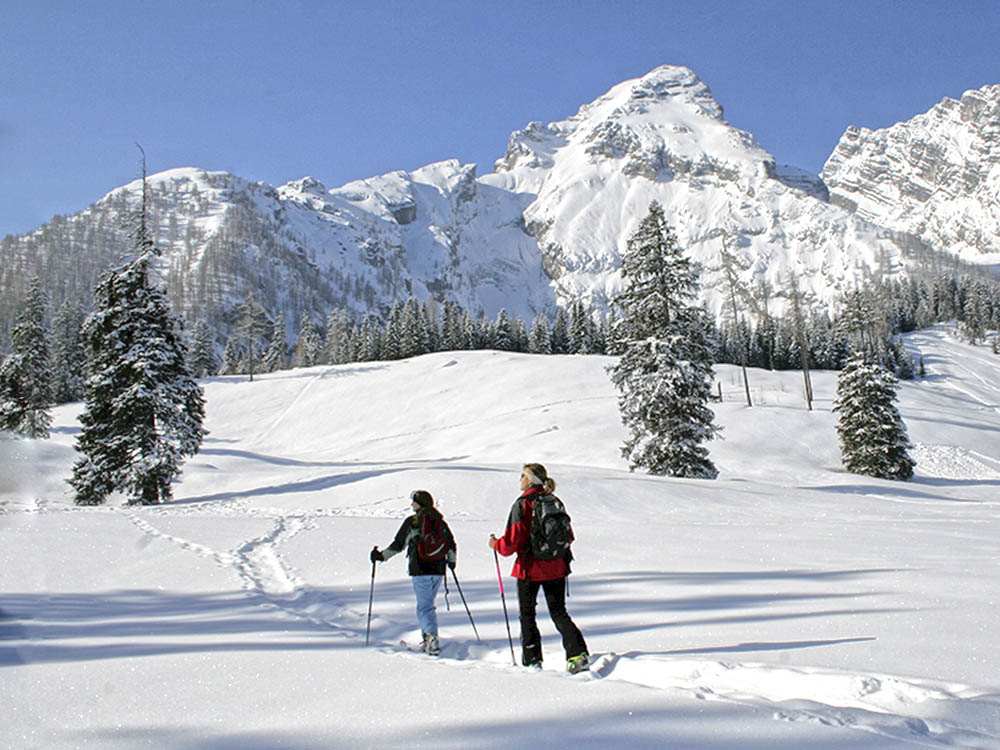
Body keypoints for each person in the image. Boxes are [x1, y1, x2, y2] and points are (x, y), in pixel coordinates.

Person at [489, 463, 589, 673]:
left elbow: (511, 542)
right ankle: (577, 653)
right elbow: (568, 535)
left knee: (527, 615)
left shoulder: (523, 504)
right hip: (557, 566)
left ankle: (532, 660)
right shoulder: (554, 501)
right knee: (559, 612)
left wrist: (495, 544)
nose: (520, 480)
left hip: (529, 568)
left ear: (530, 479)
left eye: (522, 476)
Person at [371, 490, 456, 656]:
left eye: (413, 501)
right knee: (428, 605)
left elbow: (398, 544)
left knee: (424, 607)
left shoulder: (413, 521)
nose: (411, 504)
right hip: (438, 569)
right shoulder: (440, 521)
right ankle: (429, 638)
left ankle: (431, 639)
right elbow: (451, 543)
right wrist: (452, 562)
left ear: (420, 503)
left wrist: (381, 556)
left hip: (420, 569)